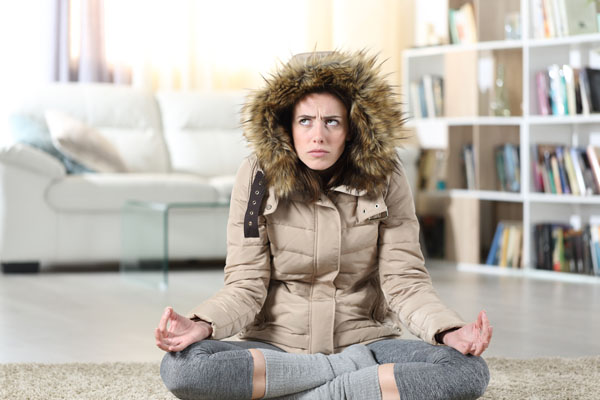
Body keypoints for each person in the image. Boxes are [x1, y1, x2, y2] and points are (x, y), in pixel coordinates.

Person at [156, 50, 492, 400]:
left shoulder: (386, 177)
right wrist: (203, 324)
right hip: (277, 349)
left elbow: (404, 280)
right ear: (286, 126)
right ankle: (345, 386)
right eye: (305, 121)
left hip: (365, 344)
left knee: (466, 371)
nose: (318, 135)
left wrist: (448, 330)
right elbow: (246, 283)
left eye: (332, 121)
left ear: (352, 129)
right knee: (182, 367)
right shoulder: (257, 177)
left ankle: (291, 391)